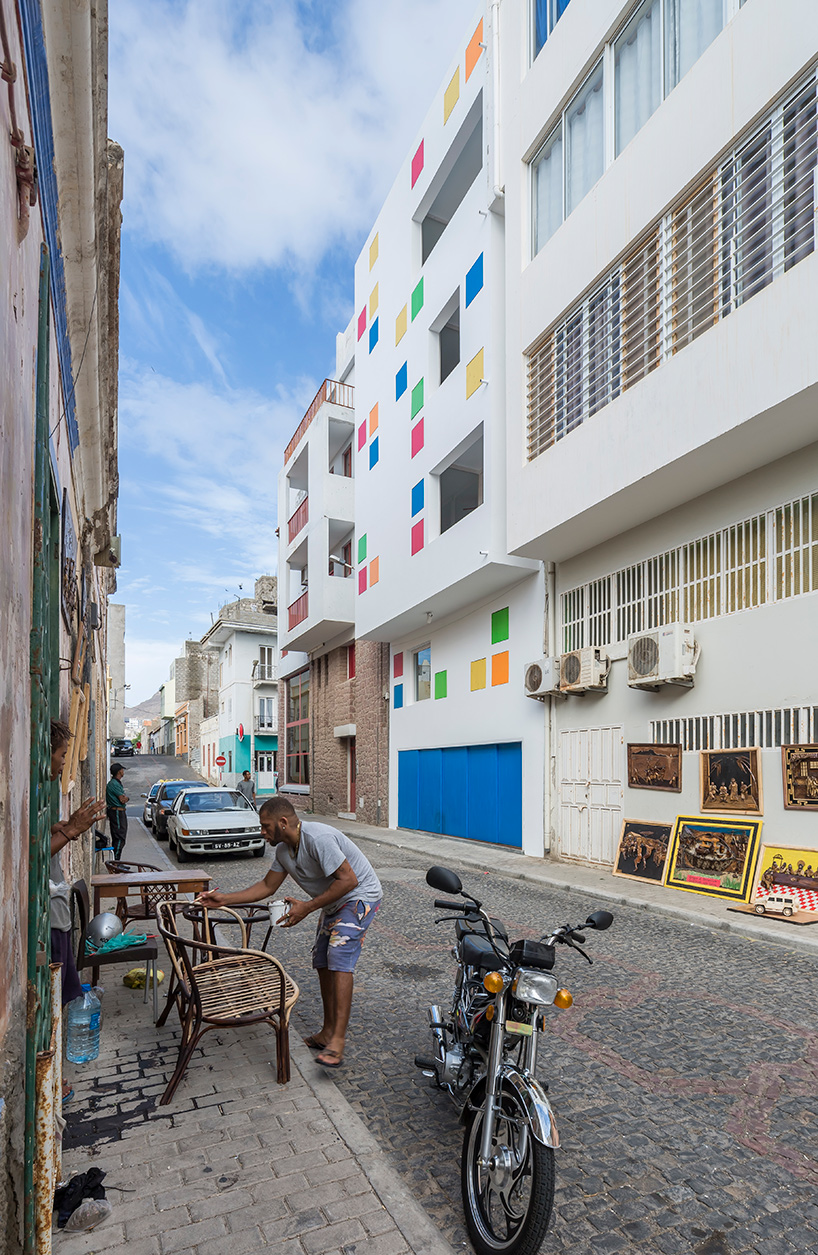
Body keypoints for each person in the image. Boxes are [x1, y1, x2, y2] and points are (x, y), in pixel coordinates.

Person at [198, 797, 382, 1069]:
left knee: (339, 955)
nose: (262, 832)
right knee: (321, 960)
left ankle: (338, 1042)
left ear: (283, 823)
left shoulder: (318, 839)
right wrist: (224, 899)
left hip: (359, 896)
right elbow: (266, 886)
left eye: (265, 826)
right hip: (332, 901)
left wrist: (307, 907)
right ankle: (327, 1031)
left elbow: (349, 880)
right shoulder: (283, 851)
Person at [50, 719, 106, 1099]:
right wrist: (69, 831)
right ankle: (52, 1078)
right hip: (48, 919)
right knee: (53, 996)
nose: (62, 764)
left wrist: (64, 826)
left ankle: (53, 1074)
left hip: (56, 914)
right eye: (62, 755)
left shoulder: (42, 792)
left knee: (60, 992)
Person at [105, 763, 129, 859]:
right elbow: (122, 799)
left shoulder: (116, 783)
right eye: (122, 770)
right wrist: (127, 798)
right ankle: (117, 861)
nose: (123, 772)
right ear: (119, 771)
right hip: (117, 812)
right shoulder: (114, 784)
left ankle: (117, 861)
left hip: (118, 811)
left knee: (119, 836)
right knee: (119, 837)